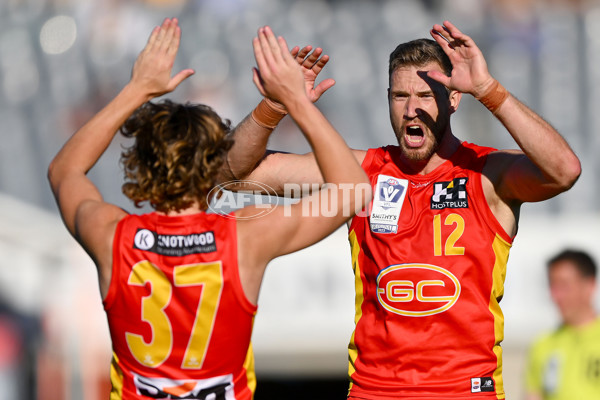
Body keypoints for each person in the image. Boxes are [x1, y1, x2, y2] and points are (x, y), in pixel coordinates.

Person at [225, 20, 582, 399]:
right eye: (399, 96)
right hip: (375, 390)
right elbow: (236, 173)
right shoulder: (357, 174)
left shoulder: (487, 174)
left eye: (425, 95)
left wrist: (488, 90)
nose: (411, 110)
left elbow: (564, 171)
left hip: (464, 390)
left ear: (454, 98)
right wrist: (274, 106)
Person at [47, 18, 371, 400]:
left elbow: (64, 169)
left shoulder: (109, 235)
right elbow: (353, 190)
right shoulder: (246, 236)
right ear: (212, 166)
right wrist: (292, 102)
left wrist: (136, 90)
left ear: (143, 165)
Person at [525, 249, 600, 400]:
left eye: (564, 285)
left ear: (589, 285)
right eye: (553, 286)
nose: (556, 295)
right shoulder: (542, 345)